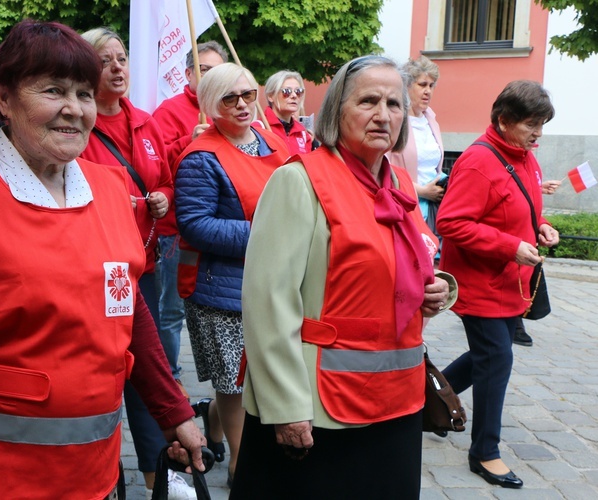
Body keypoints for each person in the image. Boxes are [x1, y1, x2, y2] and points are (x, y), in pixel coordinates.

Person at [0, 20, 204, 500]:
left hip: (96, 469)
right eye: (54, 90)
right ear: (6, 100)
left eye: (83, 92)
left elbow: (127, 305)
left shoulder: (113, 188)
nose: (74, 110)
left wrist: (173, 409)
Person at [231, 55, 454, 499]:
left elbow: (411, 263)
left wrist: (438, 288)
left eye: (394, 104)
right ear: (336, 111)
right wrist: (285, 406)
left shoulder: (401, 185)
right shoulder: (298, 182)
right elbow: (268, 303)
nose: (383, 114)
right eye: (368, 100)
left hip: (398, 400)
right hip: (319, 407)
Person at [79, 28, 195, 500]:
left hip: (141, 266)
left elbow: (166, 180)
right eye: (104, 60)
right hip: (93, 270)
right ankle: (97, 471)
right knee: (106, 371)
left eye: (121, 58)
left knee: (148, 369)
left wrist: (163, 200)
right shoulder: (79, 126)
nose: (117, 67)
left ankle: (158, 476)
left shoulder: (145, 122)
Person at [436, 80, 560, 489]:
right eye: (531, 124)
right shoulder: (477, 161)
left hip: (510, 282)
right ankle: (485, 452)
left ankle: (431, 399)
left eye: (542, 123)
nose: (538, 132)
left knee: (489, 354)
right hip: (480, 282)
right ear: (504, 120)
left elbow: (520, 205)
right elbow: (450, 223)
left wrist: (540, 226)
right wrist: (510, 245)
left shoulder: (525, 155)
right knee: (497, 359)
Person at [174, 62, 290, 487]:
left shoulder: (268, 140)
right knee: (235, 379)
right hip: (221, 290)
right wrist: (268, 234)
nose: (242, 104)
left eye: (248, 94)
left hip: (271, 280)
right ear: (211, 104)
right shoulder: (200, 157)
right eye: (230, 98)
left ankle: (212, 418)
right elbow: (195, 224)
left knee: (257, 372)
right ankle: (241, 464)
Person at [152, 40, 228, 388]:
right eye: (204, 70)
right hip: (175, 230)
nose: (211, 77)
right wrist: (188, 140)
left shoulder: (228, 107)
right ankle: (171, 379)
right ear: (188, 74)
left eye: (217, 71)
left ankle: (222, 375)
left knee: (215, 304)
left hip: (219, 227)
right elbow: (155, 167)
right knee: (171, 311)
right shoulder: (168, 111)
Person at [388, 55, 445, 242]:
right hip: (406, 205)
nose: (428, 91)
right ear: (407, 86)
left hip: (434, 208)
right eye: (422, 85)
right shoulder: (395, 120)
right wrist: (421, 191)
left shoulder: (431, 119)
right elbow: (385, 169)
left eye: (431, 85)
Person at [514, 177, 562, 346]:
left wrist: (542, 225)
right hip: (499, 256)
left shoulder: (530, 160)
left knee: (497, 356)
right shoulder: (482, 155)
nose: (534, 148)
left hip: (523, 246)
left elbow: (531, 208)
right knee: (497, 356)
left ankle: (516, 319)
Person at [262, 70, 313, 154]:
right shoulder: (258, 128)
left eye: (298, 91)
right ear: (270, 96)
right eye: (287, 91)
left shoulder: (303, 134)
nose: (294, 96)